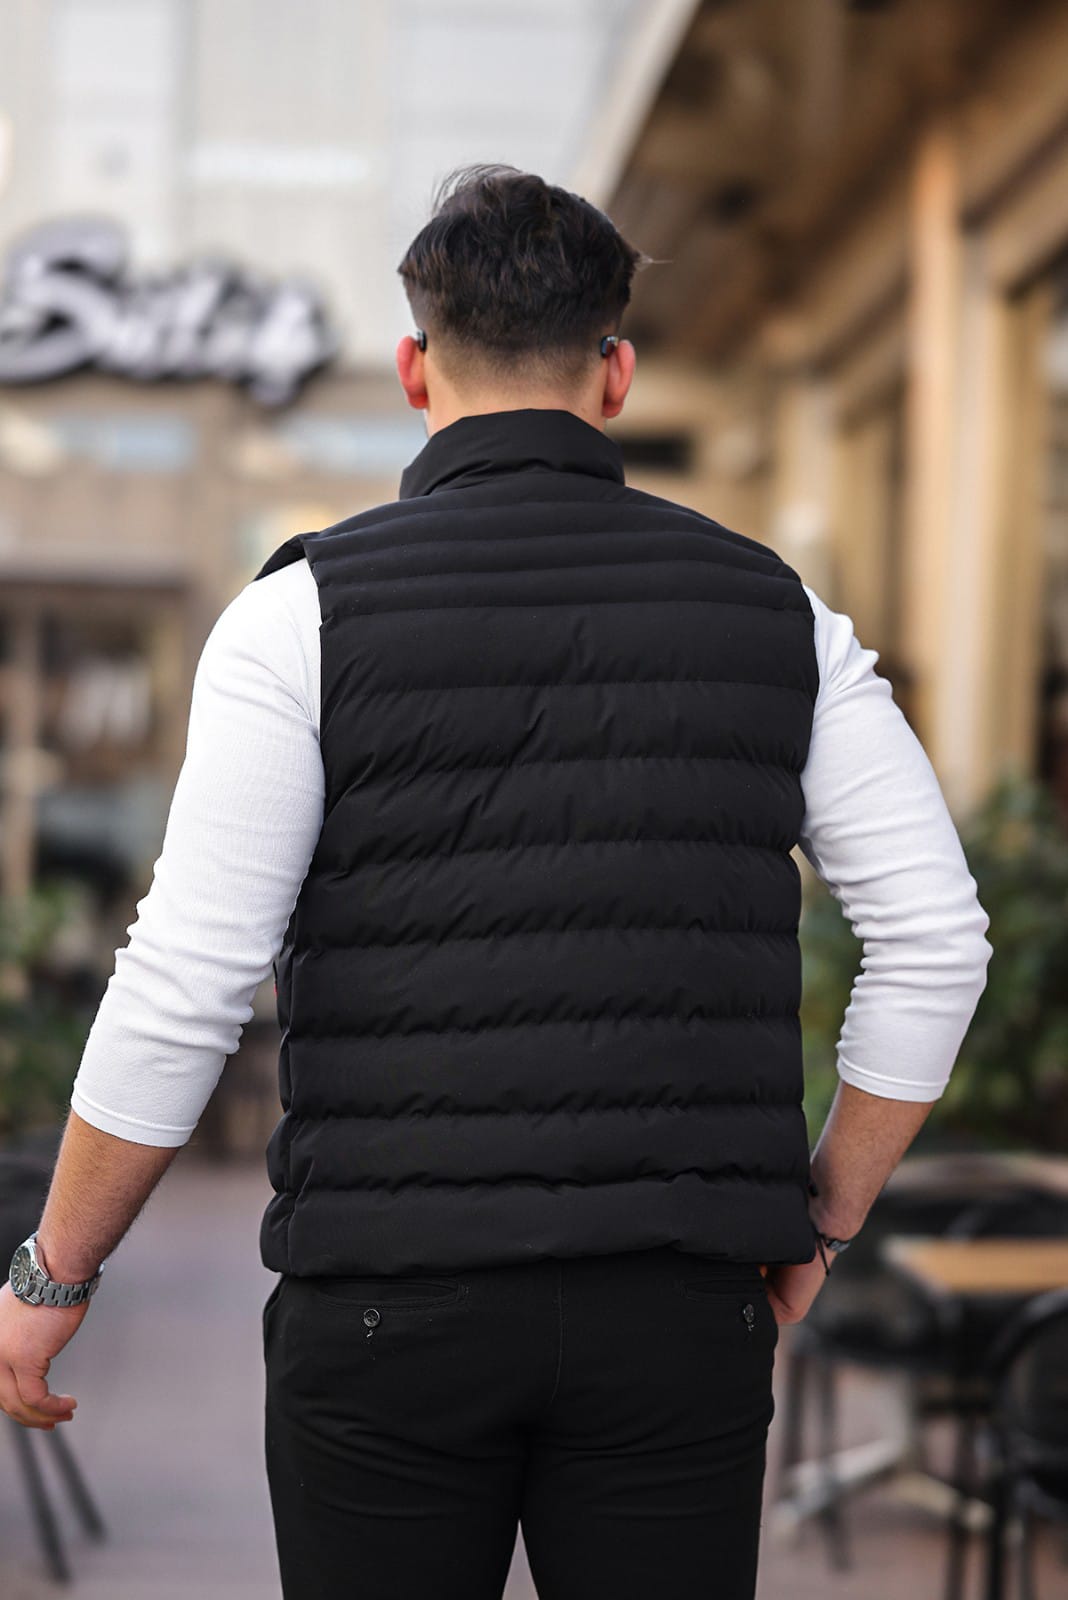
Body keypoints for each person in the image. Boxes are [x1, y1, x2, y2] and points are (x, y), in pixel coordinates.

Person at [0, 163, 992, 1600]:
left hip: (386, 1309)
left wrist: (53, 1275)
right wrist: (821, 1219)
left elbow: (188, 979)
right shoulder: (781, 615)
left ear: (416, 370)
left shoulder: (298, 618)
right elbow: (938, 942)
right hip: (677, 1309)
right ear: (616, 374)